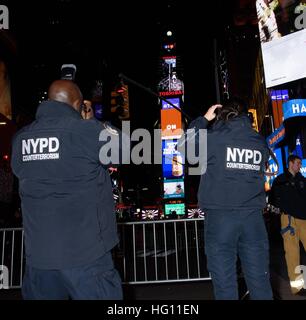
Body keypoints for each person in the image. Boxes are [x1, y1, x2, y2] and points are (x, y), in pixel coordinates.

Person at [11, 80, 124, 300]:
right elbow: (126, 150)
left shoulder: (20, 139)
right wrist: (95, 122)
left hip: (39, 260)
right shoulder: (86, 131)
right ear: (78, 105)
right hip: (87, 257)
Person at [186, 97, 273, 300]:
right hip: (253, 219)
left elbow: (186, 147)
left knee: (225, 282)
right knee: (260, 281)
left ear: (222, 113)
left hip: (220, 218)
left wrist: (203, 119)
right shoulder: (259, 141)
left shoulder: (214, 137)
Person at [269, 154, 306, 296]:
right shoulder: (279, 180)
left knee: (294, 254)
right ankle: (297, 287)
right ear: (290, 163)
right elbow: (273, 201)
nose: (300, 166)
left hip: (304, 220)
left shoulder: (302, 180)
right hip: (288, 221)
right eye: (298, 163)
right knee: (292, 254)